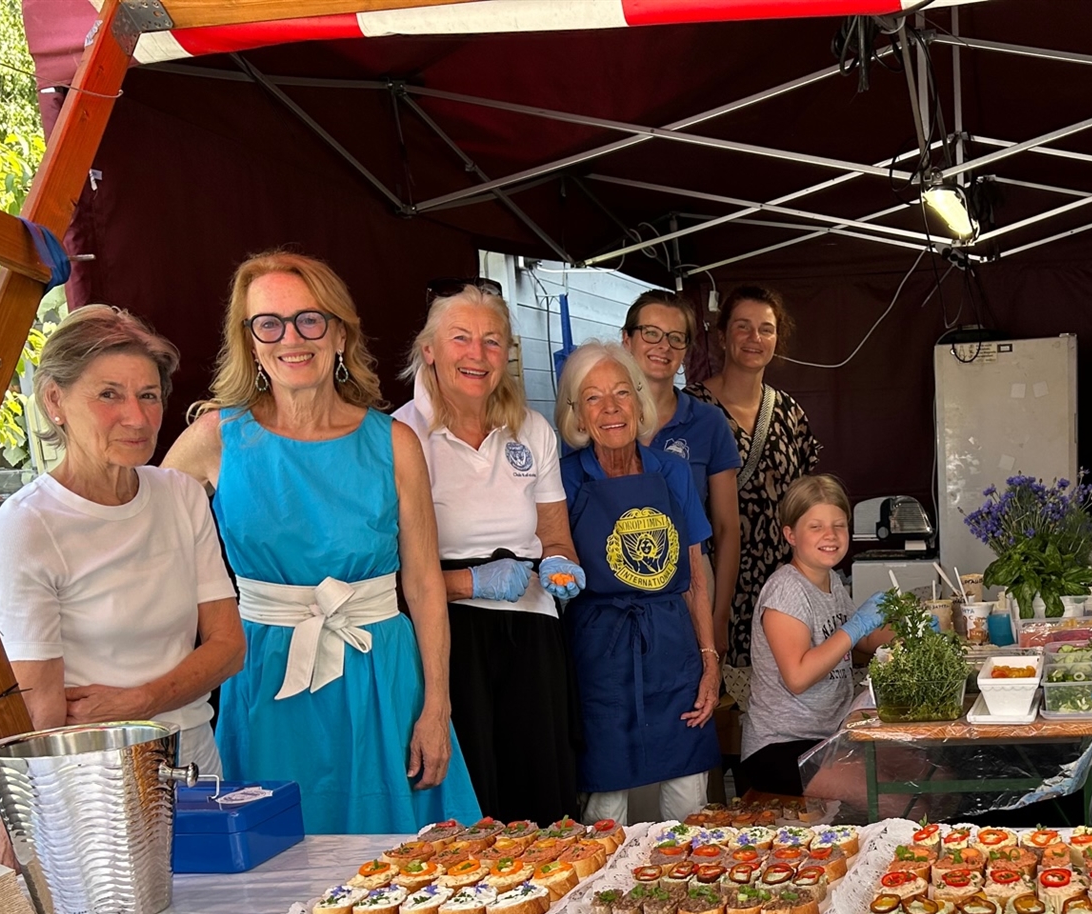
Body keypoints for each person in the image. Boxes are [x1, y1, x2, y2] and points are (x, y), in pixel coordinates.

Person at [164, 250, 479, 833]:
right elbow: (147, 552)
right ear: (251, 341)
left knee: (402, 866)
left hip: (379, 673)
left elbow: (424, 585)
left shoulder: (396, 443)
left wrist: (437, 707)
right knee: (269, 862)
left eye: (311, 319)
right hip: (263, 678)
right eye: (270, 323)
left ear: (339, 332)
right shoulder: (215, 439)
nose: (292, 338)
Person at [0, 306, 243, 774]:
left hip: (196, 761)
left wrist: (139, 701)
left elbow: (228, 646)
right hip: (96, 776)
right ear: (54, 401)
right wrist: (21, 822)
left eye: (148, 395)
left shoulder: (180, 495)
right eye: (109, 394)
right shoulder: (28, 524)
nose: (137, 417)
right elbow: (37, 702)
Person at [393, 280, 583, 822]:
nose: (477, 354)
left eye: (493, 341)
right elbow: (386, 573)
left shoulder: (533, 429)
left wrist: (560, 563)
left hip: (533, 630)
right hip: (448, 636)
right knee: (470, 802)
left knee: (543, 797)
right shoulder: (399, 435)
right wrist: (470, 584)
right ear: (429, 349)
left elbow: (555, 531)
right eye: (461, 338)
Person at [557, 340, 721, 823]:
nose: (610, 409)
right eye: (593, 397)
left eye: (621, 393)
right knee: (606, 805)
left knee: (690, 799)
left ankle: (693, 893)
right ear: (578, 415)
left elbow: (695, 574)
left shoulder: (671, 470)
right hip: (599, 653)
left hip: (673, 646)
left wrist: (709, 661)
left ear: (639, 401)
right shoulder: (564, 478)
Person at [687, 284, 822, 686]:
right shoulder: (692, 409)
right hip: (713, 583)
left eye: (765, 329)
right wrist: (717, 611)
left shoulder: (789, 413)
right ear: (723, 335)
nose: (754, 338)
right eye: (742, 327)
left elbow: (807, 507)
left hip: (782, 587)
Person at [741, 474, 890, 796]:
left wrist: (904, 628)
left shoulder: (831, 580)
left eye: (839, 525)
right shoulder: (786, 591)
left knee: (930, 772)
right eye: (816, 526)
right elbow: (798, 676)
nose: (831, 535)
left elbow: (858, 646)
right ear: (790, 534)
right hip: (781, 747)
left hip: (831, 735)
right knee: (891, 794)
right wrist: (855, 626)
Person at [622, 289, 740, 620]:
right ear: (626, 339)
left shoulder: (709, 422)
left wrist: (718, 618)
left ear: (687, 350)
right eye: (651, 333)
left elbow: (726, 527)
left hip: (689, 585)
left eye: (676, 338)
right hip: (613, 589)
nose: (664, 346)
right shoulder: (600, 418)